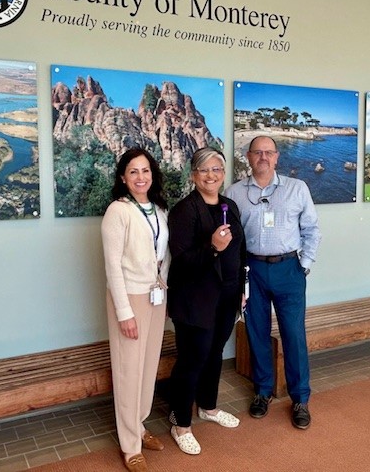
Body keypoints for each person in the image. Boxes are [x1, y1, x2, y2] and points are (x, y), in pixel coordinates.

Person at [225, 136, 321, 430]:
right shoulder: (234, 193)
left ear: (277, 157)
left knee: (294, 335)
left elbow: (312, 229)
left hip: (289, 269)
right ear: (248, 157)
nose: (263, 157)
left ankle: (300, 399)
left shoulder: (297, 188)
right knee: (257, 332)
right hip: (251, 270)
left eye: (268, 152)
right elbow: (230, 238)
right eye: (257, 152)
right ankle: (263, 391)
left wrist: (304, 266)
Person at [166, 147, 247, 455]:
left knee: (214, 354)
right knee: (193, 358)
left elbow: (240, 251)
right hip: (195, 299)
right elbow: (182, 262)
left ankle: (208, 407)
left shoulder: (230, 206)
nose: (211, 175)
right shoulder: (184, 211)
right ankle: (181, 423)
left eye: (217, 169)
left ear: (223, 174)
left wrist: (242, 287)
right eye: (204, 170)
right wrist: (213, 247)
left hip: (227, 296)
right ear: (193, 176)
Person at [101, 148, 171, 472]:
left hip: (156, 296)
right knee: (128, 371)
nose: (140, 177)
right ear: (123, 177)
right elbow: (112, 266)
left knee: (147, 367)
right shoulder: (118, 211)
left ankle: (139, 426)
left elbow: (163, 255)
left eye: (145, 170)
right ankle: (130, 446)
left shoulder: (159, 209)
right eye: (133, 171)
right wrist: (124, 312)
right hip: (130, 298)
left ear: (152, 174)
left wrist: (163, 288)